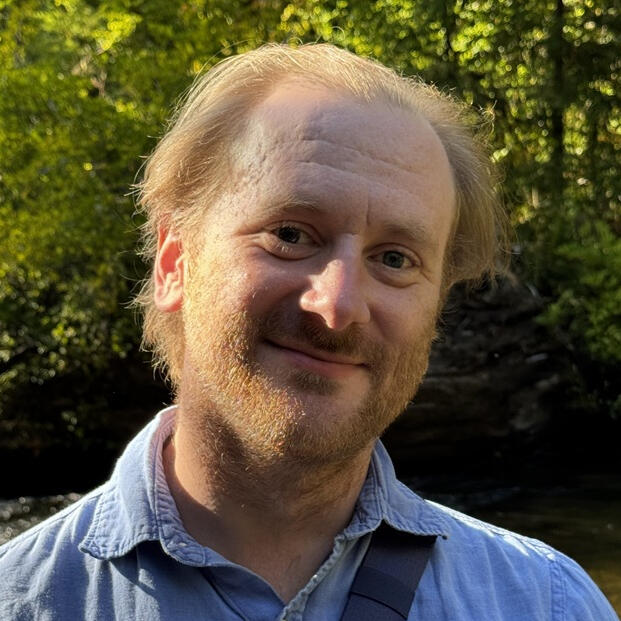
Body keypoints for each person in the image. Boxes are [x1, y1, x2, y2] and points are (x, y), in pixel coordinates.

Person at [0, 43, 617, 621]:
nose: (339, 305)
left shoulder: (547, 603)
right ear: (174, 264)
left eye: (395, 258)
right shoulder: (22, 599)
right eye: (291, 235)